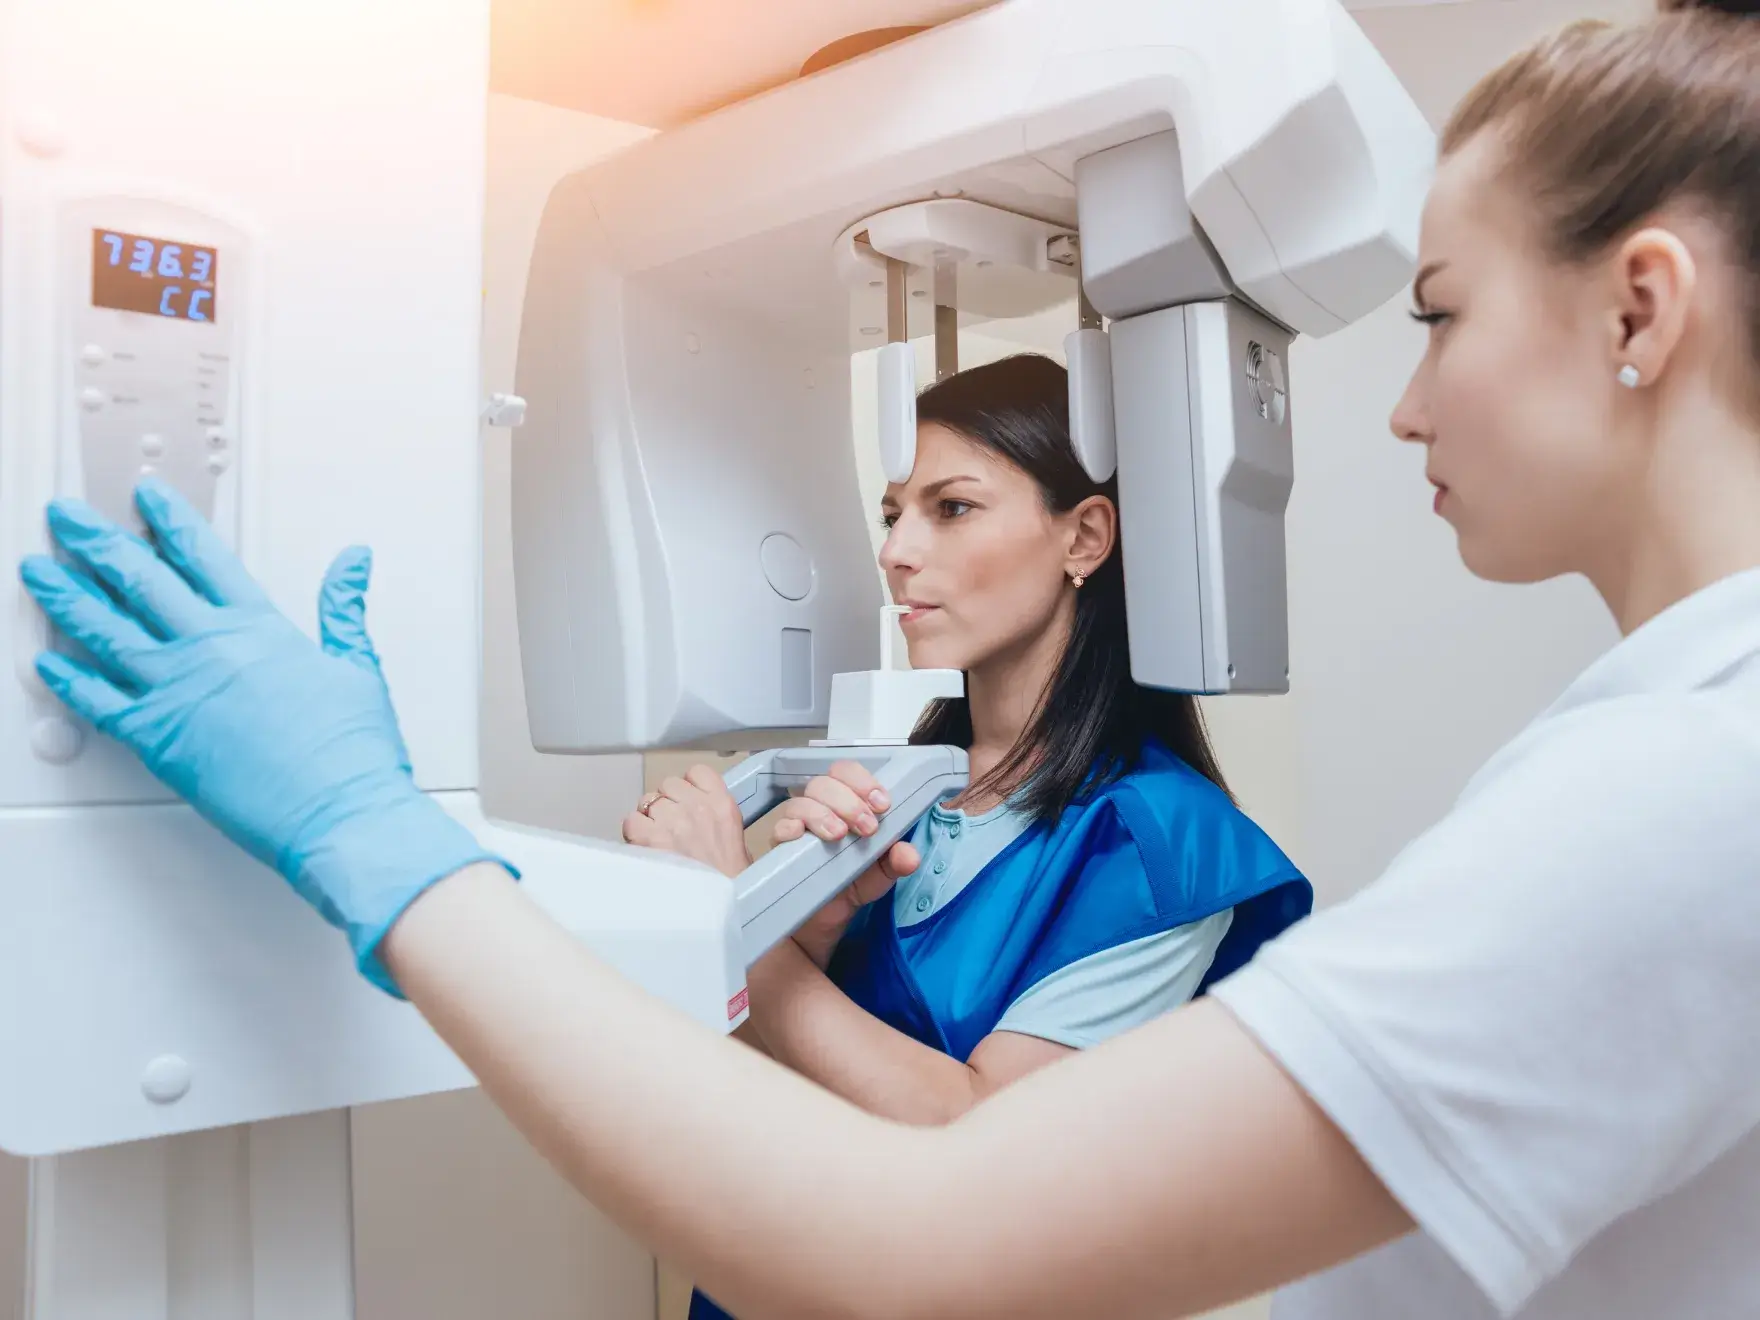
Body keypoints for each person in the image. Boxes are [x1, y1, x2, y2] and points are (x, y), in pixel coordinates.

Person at [16, 2, 1760, 1315]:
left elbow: (932, 1223)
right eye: (892, 509)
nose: (1400, 394)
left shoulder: (1681, 788)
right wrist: (529, 885)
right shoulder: (1662, 749)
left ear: (1639, 309)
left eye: (1441, 311)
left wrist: (378, 835)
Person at [619, 356, 1311, 1318]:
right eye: (892, 514)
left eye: (951, 508)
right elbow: (758, 1109)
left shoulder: (1158, 842)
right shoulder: (883, 790)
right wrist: (802, 935)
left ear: (1085, 537)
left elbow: (986, 1132)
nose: (898, 550)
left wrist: (741, 933)